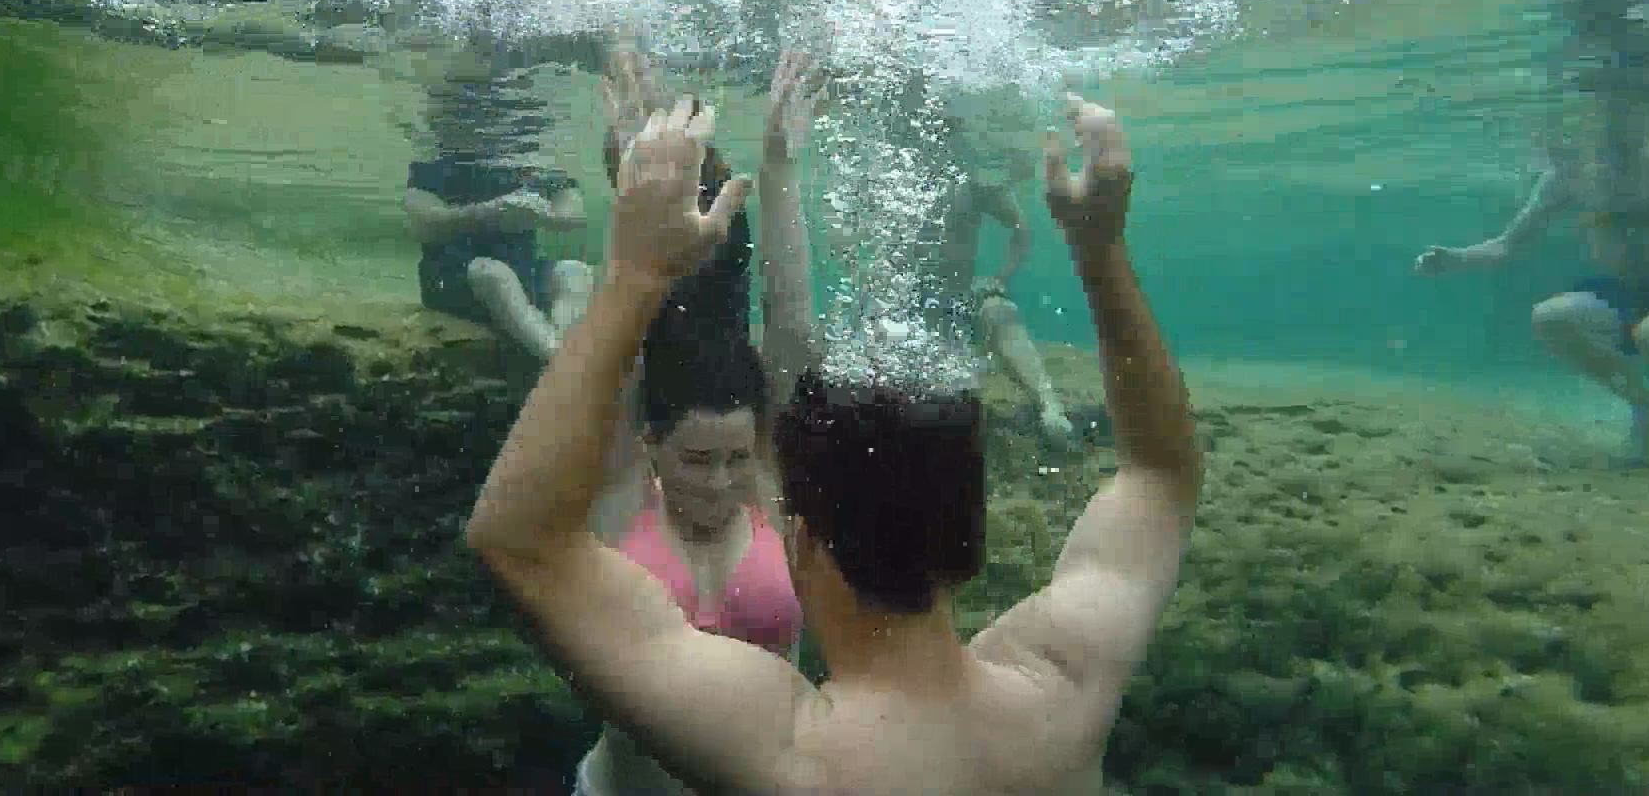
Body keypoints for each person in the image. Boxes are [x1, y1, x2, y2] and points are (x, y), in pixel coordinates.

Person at [468, 91, 1200, 794]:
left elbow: (519, 539)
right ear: (970, 536)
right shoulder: (1063, 695)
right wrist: (1101, 252)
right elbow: (1159, 477)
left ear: (802, 540)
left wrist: (634, 274)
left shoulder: (790, 755)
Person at [569, 49, 829, 796]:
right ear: (652, 447)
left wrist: (779, 167)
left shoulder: (770, 486)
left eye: (734, 461)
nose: (720, 484)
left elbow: (791, 328)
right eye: (695, 462)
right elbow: (616, 345)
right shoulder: (623, 493)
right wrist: (633, 188)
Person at [1413, 0, 1649, 468]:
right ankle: (1644, 409)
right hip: (1633, 294)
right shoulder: (1572, 172)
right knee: (1555, 319)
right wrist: (1454, 258)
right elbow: (1505, 246)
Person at [403, 40, 597, 360]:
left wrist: (542, 215)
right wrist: (489, 214)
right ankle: (554, 356)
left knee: (576, 272)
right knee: (494, 274)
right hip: (452, 277)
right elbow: (424, 223)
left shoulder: (531, 165)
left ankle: (564, 343)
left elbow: (573, 214)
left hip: (522, 271)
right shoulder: (435, 168)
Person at [926, 117, 1077, 448]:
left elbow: (1021, 229)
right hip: (908, 304)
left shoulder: (975, 185)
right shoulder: (895, 183)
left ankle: (1050, 407)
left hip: (959, 298)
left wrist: (999, 278)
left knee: (999, 311)